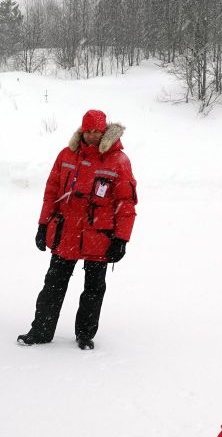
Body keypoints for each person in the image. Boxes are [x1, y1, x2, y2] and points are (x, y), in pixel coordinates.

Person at [17, 109, 137, 351]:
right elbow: (51, 192)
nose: (92, 135)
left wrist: (121, 238)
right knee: (53, 284)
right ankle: (41, 330)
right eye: (88, 131)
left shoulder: (119, 161)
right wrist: (43, 224)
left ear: (104, 132)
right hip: (66, 233)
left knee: (93, 289)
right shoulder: (66, 155)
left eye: (97, 131)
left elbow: (126, 203)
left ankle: (85, 334)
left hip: (99, 237)